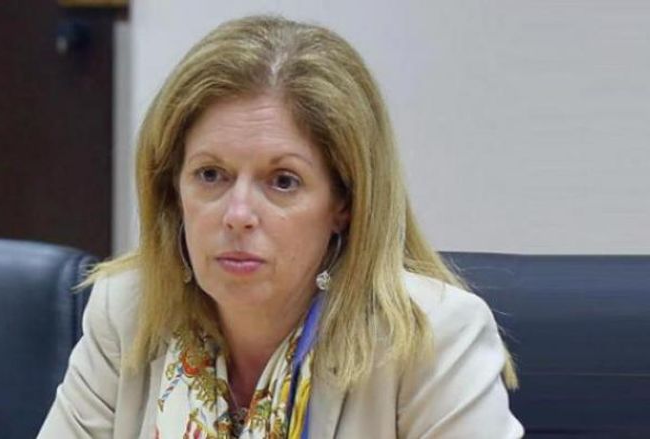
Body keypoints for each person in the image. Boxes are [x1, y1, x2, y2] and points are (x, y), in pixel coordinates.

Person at [38, 14, 524, 438]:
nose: (238, 214)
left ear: (344, 203)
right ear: (173, 189)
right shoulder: (126, 311)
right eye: (211, 175)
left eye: (283, 182)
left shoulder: (432, 339)